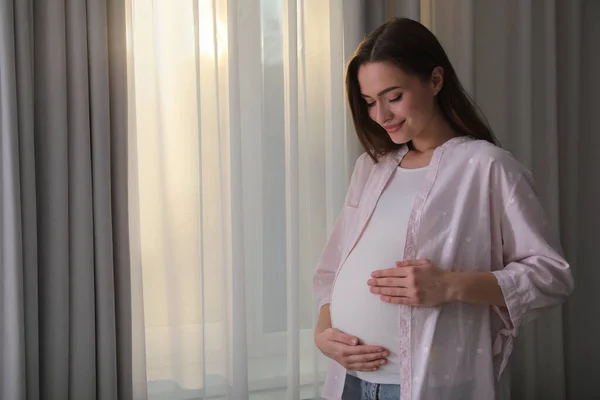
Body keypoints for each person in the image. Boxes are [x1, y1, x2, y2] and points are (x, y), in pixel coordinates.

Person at [312, 18, 573, 400]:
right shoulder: (371, 168)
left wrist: (448, 285)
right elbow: (332, 269)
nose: (381, 115)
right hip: (349, 380)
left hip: (432, 386)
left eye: (393, 96)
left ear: (435, 81)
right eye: (369, 102)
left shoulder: (486, 167)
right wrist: (323, 335)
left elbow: (551, 276)